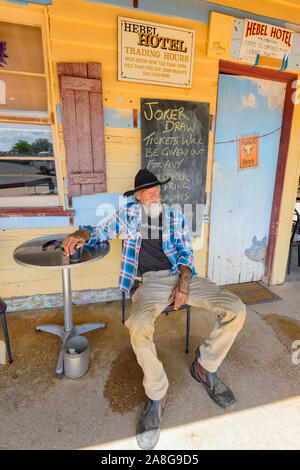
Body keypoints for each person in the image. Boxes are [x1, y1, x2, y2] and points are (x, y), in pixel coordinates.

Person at [62, 169, 246, 450]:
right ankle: (157, 392)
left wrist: (184, 282)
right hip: (149, 283)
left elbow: (186, 252)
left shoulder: (174, 216)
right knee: (137, 326)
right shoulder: (129, 214)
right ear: (138, 197)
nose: (156, 194)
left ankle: (205, 366)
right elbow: (100, 231)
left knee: (235, 308)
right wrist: (82, 232)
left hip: (182, 276)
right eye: (150, 191)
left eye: (158, 190)